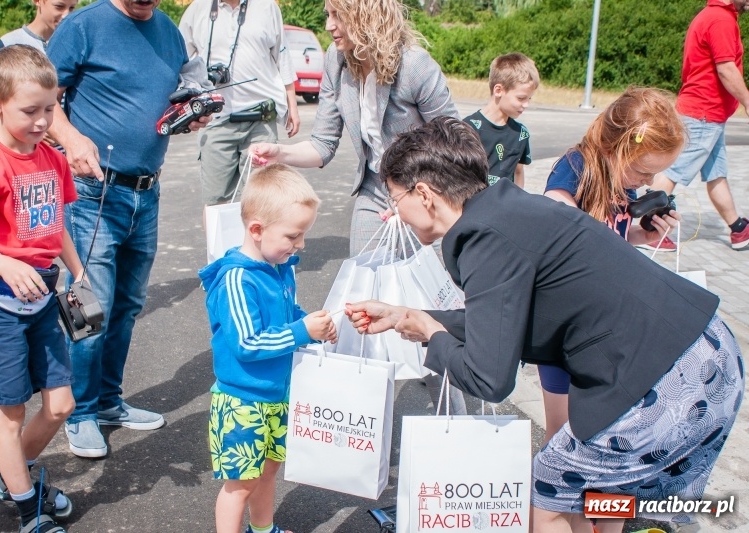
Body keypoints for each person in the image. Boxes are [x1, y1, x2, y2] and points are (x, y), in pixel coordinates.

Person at [345, 116, 744, 533]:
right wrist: (410, 316)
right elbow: (498, 320)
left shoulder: (479, 238)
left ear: (423, 194)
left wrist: (431, 335)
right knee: (601, 496)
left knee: (545, 497)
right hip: (709, 355)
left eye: (395, 199)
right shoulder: (507, 208)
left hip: (663, 386)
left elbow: (488, 378)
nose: (395, 212)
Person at [46, 0, 210, 458]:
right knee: (87, 307)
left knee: (127, 304)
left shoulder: (168, 33)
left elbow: (175, 97)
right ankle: (77, 411)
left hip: (146, 191)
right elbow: (42, 95)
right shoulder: (84, 25)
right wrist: (71, 138)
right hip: (92, 190)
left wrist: (191, 114)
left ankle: (106, 402)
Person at [0, 45, 84, 533]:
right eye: (30, 111)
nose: (44, 121)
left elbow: (56, 224)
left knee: (62, 405)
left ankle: (13, 479)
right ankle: (29, 511)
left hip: (43, 298)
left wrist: (77, 271)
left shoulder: (51, 158)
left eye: (50, 108)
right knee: (10, 412)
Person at [250, 0, 458, 257]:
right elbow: (322, 144)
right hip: (375, 189)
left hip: (427, 190)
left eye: (338, 15)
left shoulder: (414, 65)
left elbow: (454, 143)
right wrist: (279, 153)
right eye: (328, 14)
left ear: (366, 15)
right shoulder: (335, 62)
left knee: (426, 287)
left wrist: (411, 197)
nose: (328, 25)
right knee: (363, 281)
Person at [539, 87, 685, 449]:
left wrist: (642, 234)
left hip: (598, 323)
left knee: (590, 428)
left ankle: (576, 495)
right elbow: (552, 210)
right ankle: (545, 500)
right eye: (643, 170)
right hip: (563, 325)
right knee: (560, 431)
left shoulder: (621, 183)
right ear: (616, 147)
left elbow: (615, 234)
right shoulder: (577, 165)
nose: (648, 182)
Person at [199, 163, 337, 533]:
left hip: (276, 394)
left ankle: (264, 530)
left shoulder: (280, 267)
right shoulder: (237, 280)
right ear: (257, 230)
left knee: (268, 471)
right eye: (293, 236)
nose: (301, 245)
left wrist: (313, 326)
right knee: (240, 485)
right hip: (242, 401)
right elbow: (247, 343)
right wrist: (302, 331)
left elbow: (287, 316)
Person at [179, 0, 299, 210]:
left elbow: (282, 55)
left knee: (260, 201)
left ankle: (254, 243)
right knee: (216, 203)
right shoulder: (197, 10)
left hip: (260, 118)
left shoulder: (267, 7)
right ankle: (217, 245)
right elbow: (180, 61)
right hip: (215, 119)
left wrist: (293, 105)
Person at [652, 0, 749, 251]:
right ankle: (650, 231)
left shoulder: (716, 16)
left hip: (709, 115)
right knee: (671, 172)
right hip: (702, 114)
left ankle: (738, 229)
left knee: (716, 174)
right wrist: (747, 101)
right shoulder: (720, 20)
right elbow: (726, 68)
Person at [0, 0, 78, 118]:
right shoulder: (11, 42)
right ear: (37, 1)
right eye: (59, 7)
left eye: (72, 8)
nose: (66, 15)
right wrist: (28, 123)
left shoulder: (75, 43)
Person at [462, 52, 539, 188]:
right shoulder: (467, 128)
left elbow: (518, 172)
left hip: (505, 206)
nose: (526, 104)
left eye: (529, 98)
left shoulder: (521, 133)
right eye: (521, 98)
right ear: (498, 90)